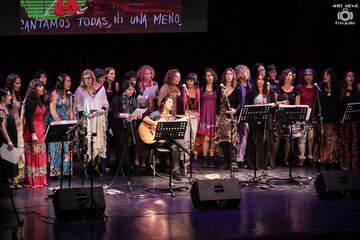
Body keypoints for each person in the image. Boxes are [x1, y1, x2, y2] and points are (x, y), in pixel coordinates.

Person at [74, 69, 109, 176]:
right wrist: (85, 114)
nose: (87, 81)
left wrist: (102, 109)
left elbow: (105, 103)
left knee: (97, 142)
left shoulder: (100, 89)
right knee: (86, 143)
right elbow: (77, 106)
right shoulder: (80, 91)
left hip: (98, 121)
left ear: (93, 78)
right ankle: (85, 167)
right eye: (85, 79)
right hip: (87, 121)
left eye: (89, 78)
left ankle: (95, 166)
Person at [143, 97, 182, 181]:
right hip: (157, 140)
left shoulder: (173, 117)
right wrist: (156, 124)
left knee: (175, 145)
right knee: (175, 144)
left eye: (172, 102)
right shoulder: (157, 113)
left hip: (168, 141)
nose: (172, 104)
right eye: (169, 102)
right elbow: (145, 118)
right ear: (163, 103)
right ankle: (187, 151)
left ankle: (175, 169)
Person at [246, 72, 276, 170]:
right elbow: (247, 106)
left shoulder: (269, 91)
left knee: (267, 141)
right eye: (258, 79)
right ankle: (254, 163)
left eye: (262, 79)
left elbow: (274, 104)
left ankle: (266, 163)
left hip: (267, 119)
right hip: (255, 120)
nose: (260, 81)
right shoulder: (251, 92)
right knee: (255, 141)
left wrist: (270, 105)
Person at [110, 80, 139, 175]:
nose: (131, 92)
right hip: (120, 126)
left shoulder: (134, 100)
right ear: (124, 89)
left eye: (132, 90)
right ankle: (120, 167)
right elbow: (114, 113)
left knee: (131, 146)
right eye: (129, 90)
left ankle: (129, 166)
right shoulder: (117, 99)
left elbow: (136, 110)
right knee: (121, 147)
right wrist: (125, 115)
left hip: (130, 125)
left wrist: (139, 115)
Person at [47, 73, 73, 177]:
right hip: (57, 123)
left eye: (70, 81)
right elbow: (52, 109)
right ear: (62, 82)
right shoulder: (54, 93)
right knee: (56, 147)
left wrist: (71, 123)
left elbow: (70, 110)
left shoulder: (69, 95)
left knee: (66, 146)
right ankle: (55, 171)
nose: (69, 83)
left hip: (66, 123)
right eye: (67, 81)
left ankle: (66, 171)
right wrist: (59, 124)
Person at [216, 68, 242, 171]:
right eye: (227, 74)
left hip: (231, 118)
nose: (229, 76)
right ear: (224, 76)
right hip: (222, 118)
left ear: (233, 76)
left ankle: (233, 163)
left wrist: (235, 110)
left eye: (231, 74)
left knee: (232, 141)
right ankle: (226, 162)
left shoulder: (237, 88)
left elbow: (240, 103)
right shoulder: (220, 88)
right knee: (223, 141)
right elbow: (217, 102)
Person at [23, 79, 47, 188]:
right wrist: (33, 133)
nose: (43, 88)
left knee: (40, 154)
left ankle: (40, 178)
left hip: (40, 129)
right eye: (40, 86)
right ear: (35, 88)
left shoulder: (38, 100)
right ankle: (34, 180)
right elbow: (28, 118)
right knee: (33, 155)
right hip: (33, 130)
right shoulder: (30, 100)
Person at [274, 68, 300, 166]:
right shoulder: (278, 88)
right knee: (277, 139)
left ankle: (286, 160)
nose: (288, 77)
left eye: (290, 75)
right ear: (283, 77)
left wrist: (297, 119)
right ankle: (273, 159)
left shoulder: (296, 90)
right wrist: (281, 102)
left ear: (292, 77)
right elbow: (274, 102)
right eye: (286, 75)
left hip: (290, 118)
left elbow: (297, 105)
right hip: (279, 117)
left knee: (288, 139)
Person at [5, 74, 25, 184]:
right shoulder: (7, 95)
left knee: (20, 151)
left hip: (19, 126)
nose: (19, 85)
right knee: (12, 152)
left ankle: (18, 178)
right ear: (11, 83)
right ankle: (11, 179)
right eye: (17, 83)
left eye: (20, 83)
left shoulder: (17, 94)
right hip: (11, 127)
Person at [198, 68, 218, 168]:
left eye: (211, 75)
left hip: (214, 115)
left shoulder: (217, 88)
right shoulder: (201, 88)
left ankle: (212, 159)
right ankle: (205, 159)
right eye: (208, 76)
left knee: (213, 138)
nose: (210, 77)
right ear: (205, 77)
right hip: (205, 115)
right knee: (206, 138)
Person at [296, 68, 317, 166]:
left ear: (313, 76)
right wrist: (298, 117)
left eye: (310, 75)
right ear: (303, 76)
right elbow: (297, 103)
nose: (308, 77)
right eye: (306, 75)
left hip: (312, 117)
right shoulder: (300, 87)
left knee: (311, 138)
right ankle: (301, 158)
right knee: (302, 138)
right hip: (302, 117)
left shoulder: (316, 88)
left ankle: (311, 157)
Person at [339, 70, 359, 170]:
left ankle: (354, 164)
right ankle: (345, 164)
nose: (350, 78)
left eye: (352, 76)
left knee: (354, 144)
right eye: (348, 76)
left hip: (355, 122)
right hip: (345, 122)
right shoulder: (342, 91)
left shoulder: (357, 91)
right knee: (345, 144)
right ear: (345, 78)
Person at [0, 88, 20, 189]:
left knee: (10, 161)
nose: (10, 97)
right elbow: (2, 126)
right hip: (5, 140)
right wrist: (8, 140)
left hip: (11, 137)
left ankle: (9, 182)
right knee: (5, 164)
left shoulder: (5, 107)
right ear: (2, 98)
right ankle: (5, 185)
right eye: (8, 96)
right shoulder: (0, 109)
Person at [234, 64, 252, 168]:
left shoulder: (250, 84)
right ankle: (236, 158)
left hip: (248, 112)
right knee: (238, 137)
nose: (244, 74)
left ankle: (241, 158)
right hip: (238, 112)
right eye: (241, 72)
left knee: (245, 136)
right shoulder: (236, 85)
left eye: (245, 71)